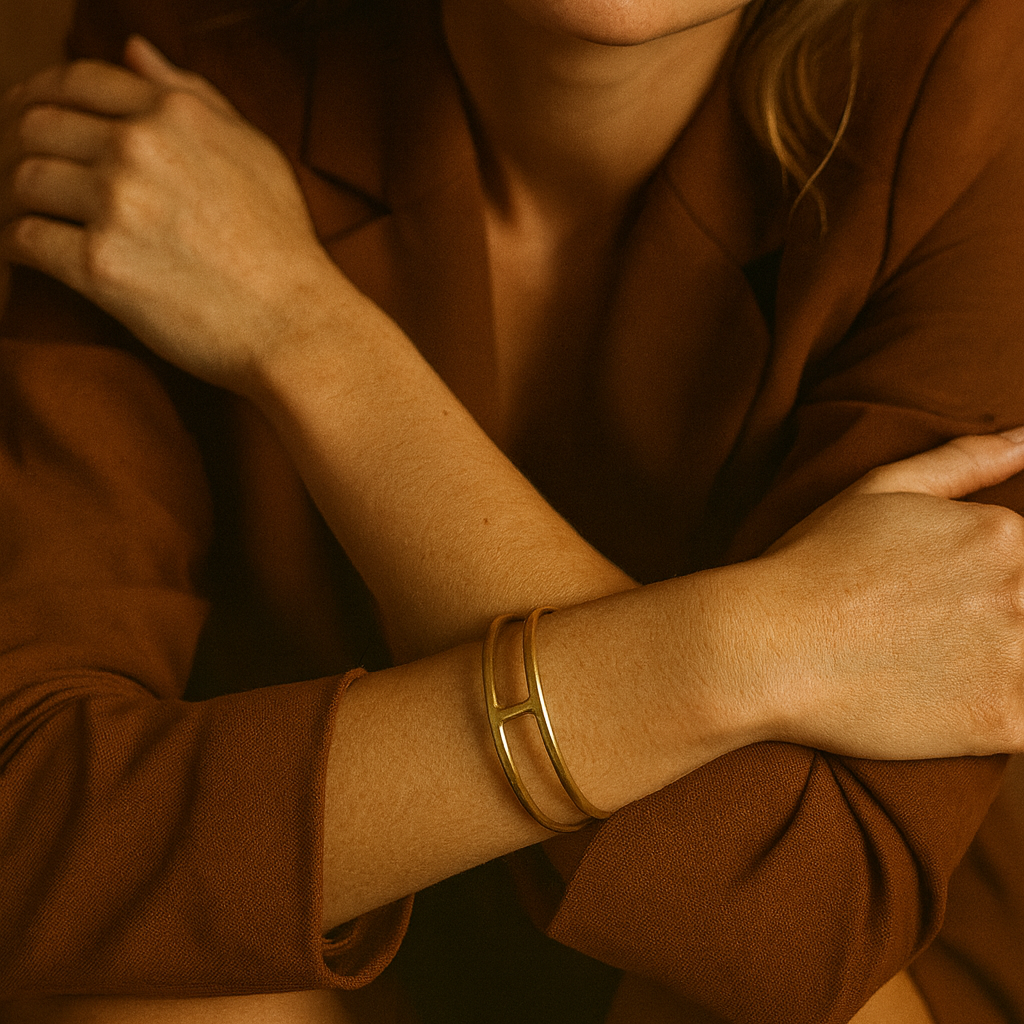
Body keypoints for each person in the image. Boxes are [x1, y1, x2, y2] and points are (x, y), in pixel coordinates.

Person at [1, 0, 1023, 1021]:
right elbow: (29, 823)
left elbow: (799, 923)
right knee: (145, 992)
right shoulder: (193, 59)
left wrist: (306, 338)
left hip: (865, 978)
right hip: (366, 950)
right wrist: (748, 649)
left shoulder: (972, 78)